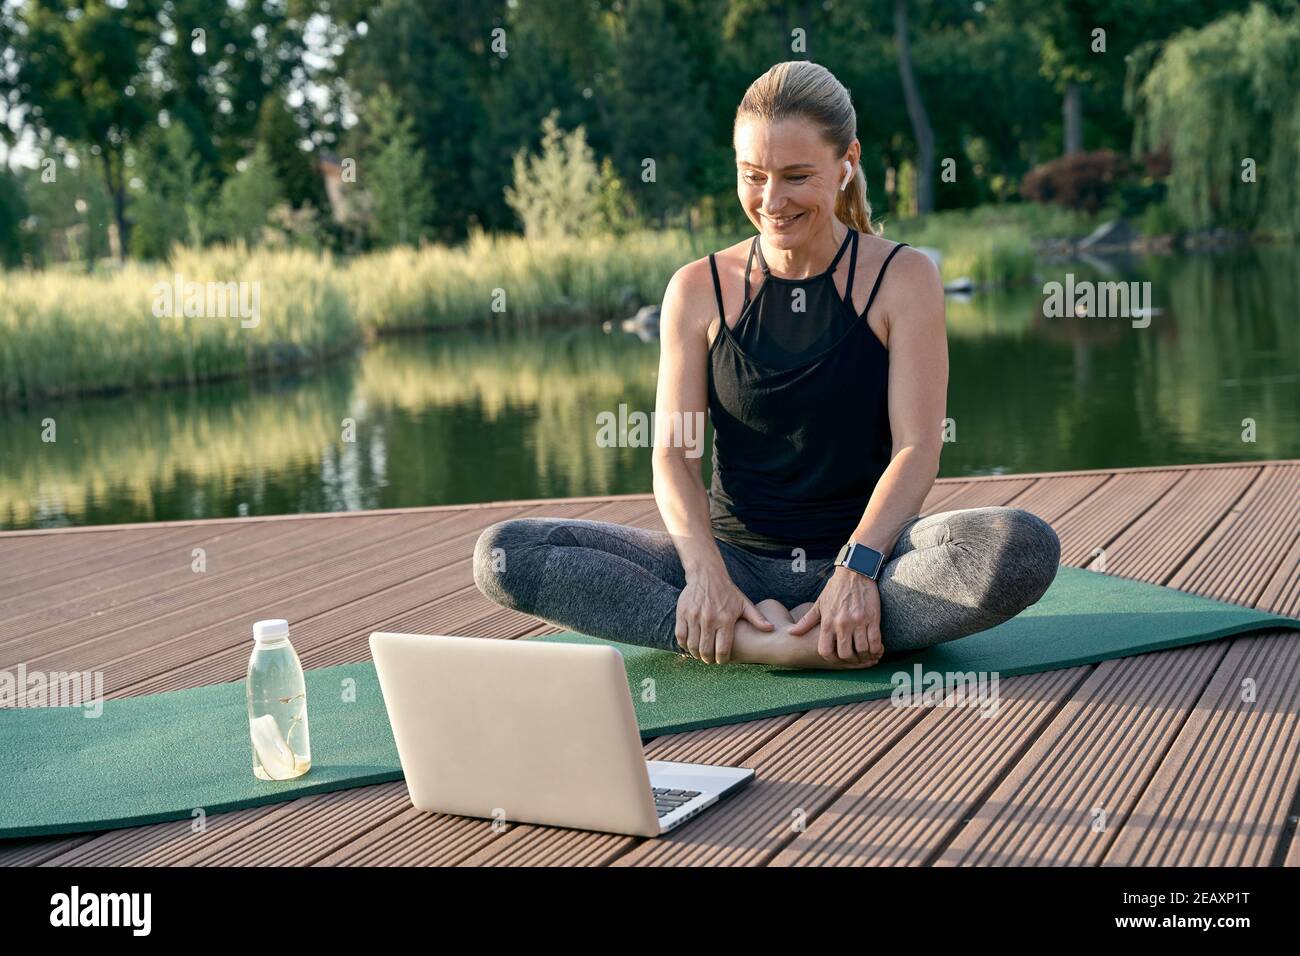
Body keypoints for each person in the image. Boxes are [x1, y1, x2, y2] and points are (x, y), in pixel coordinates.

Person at [474, 61, 1060, 670]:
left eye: (796, 176)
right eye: (752, 176)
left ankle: (784, 632)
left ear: (847, 161)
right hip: (733, 564)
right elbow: (675, 454)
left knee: (1020, 547)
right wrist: (705, 576)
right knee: (506, 553)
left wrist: (857, 569)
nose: (771, 201)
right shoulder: (698, 288)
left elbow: (918, 448)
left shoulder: (904, 279)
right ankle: (780, 641)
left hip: (874, 563)